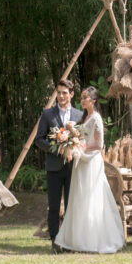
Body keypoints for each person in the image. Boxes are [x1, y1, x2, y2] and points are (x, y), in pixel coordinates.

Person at [54, 86, 124, 253]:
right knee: (80, 198)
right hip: (82, 161)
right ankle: (78, 239)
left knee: (91, 197)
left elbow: (99, 145)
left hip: (91, 161)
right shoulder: (86, 117)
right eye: (82, 97)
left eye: (85, 97)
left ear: (92, 100)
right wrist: (73, 135)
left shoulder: (96, 118)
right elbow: (82, 136)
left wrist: (80, 145)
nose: (82, 100)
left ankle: (94, 239)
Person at [35, 79, 83, 254]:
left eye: (65, 93)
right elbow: (39, 139)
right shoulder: (47, 114)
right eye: (59, 92)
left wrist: (76, 147)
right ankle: (55, 241)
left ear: (71, 94)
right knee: (54, 206)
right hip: (54, 167)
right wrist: (58, 149)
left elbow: (83, 139)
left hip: (73, 168)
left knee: (72, 206)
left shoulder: (79, 115)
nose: (61, 96)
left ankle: (70, 242)